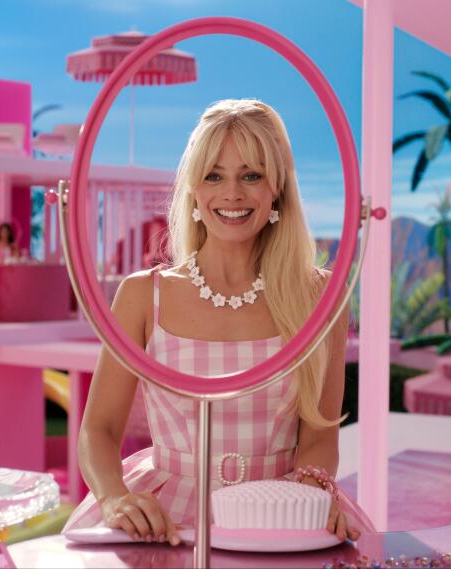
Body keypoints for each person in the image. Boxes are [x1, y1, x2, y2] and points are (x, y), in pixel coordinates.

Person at [63, 99, 372, 545]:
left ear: (277, 189)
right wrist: (114, 498)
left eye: (251, 175)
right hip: (165, 518)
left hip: (280, 509)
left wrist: (312, 489)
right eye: (214, 176)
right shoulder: (142, 295)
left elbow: (321, 436)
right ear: (193, 190)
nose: (232, 193)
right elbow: (99, 430)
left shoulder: (321, 298)